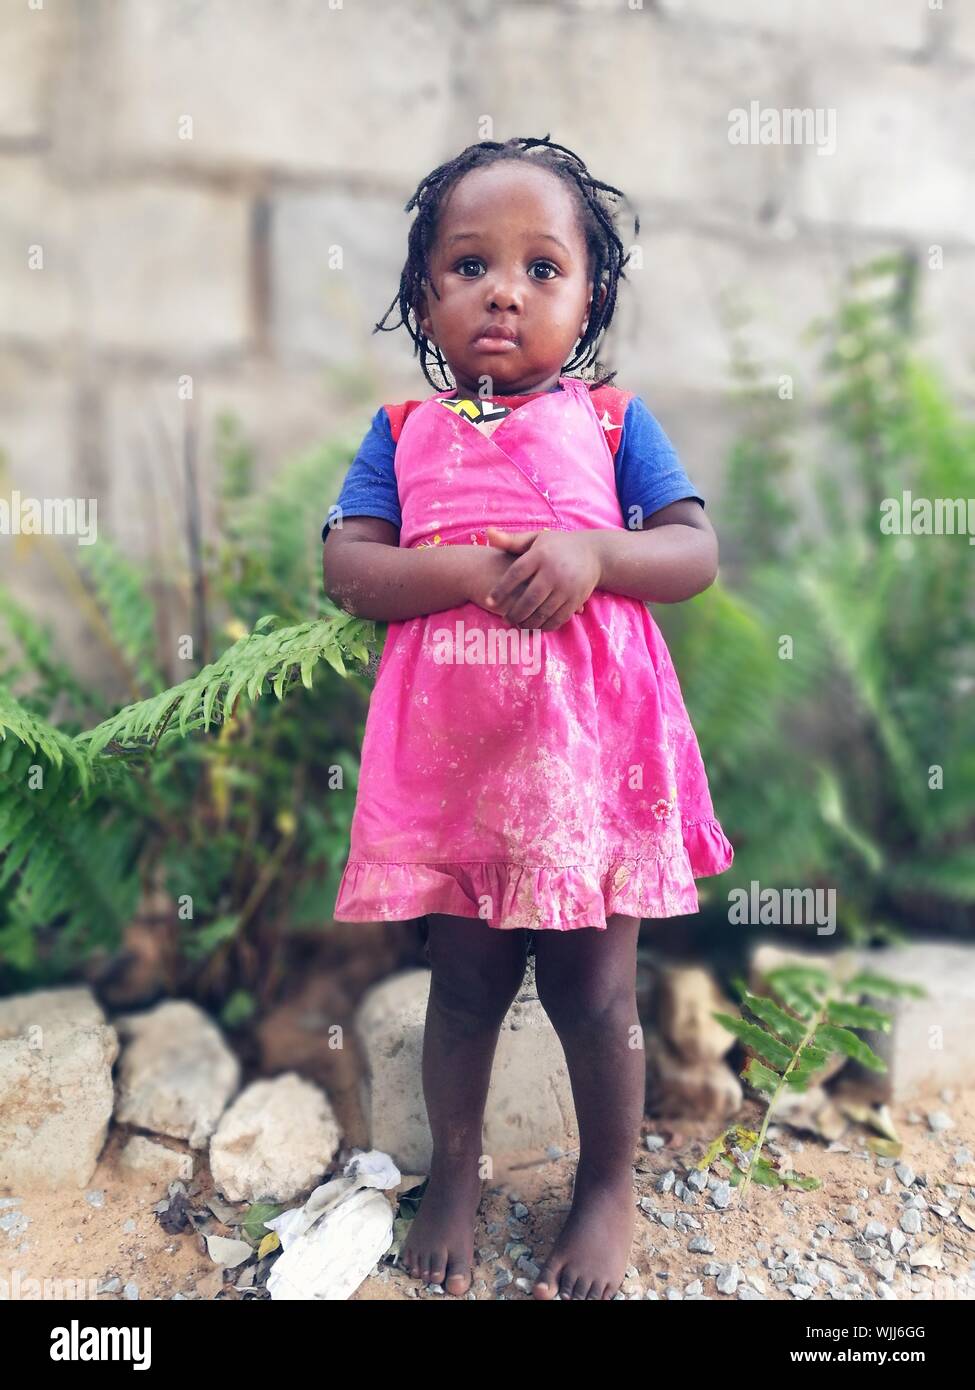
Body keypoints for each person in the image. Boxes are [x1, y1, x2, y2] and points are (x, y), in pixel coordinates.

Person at [322, 135, 734, 1300]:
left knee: (594, 992)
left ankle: (609, 1184)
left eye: (542, 268)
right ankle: (456, 1170)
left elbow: (693, 554)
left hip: (593, 771)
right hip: (456, 768)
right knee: (465, 987)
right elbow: (349, 570)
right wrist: (456, 572)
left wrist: (594, 552)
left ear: (588, 297)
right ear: (424, 295)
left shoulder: (611, 426)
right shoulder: (402, 436)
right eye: (469, 266)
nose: (504, 288)